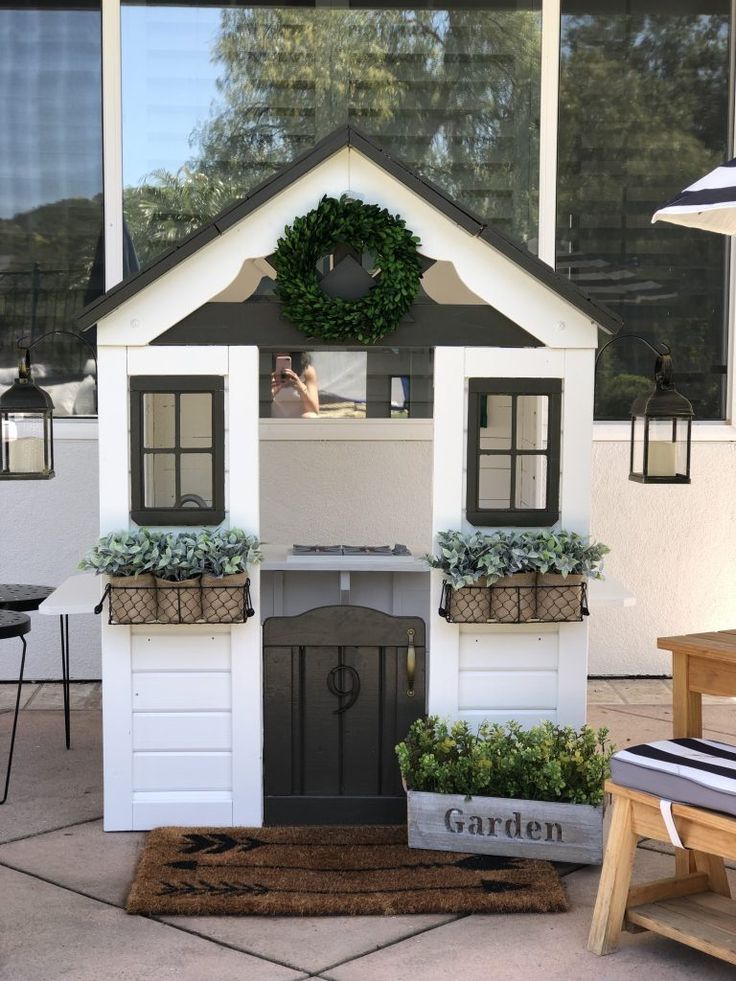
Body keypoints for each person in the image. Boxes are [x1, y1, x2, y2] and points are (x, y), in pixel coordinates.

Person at [271, 351, 320, 417]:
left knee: (310, 416)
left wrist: (300, 386)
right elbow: (256, 408)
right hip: (271, 422)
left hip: (299, 423)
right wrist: (270, 393)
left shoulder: (307, 371)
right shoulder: (259, 368)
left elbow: (314, 411)